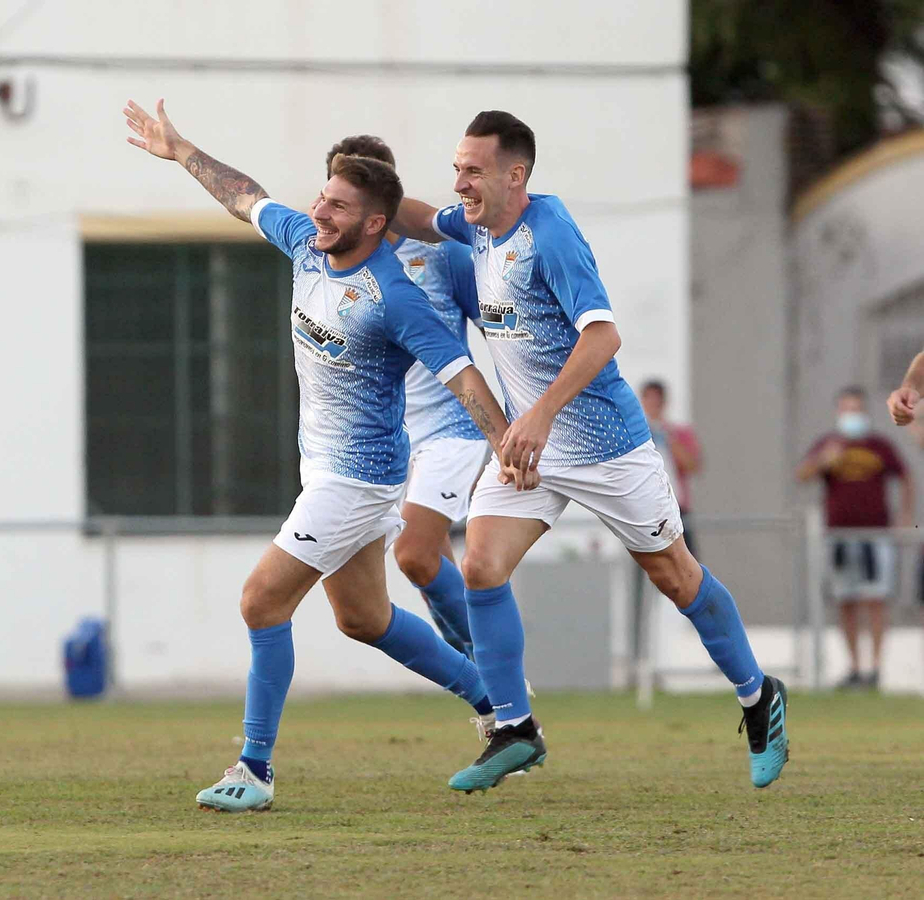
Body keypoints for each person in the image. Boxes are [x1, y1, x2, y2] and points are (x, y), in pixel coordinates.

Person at [123, 99, 533, 813]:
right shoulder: (307, 245)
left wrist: (506, 443)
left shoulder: (395, 296)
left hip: (357, 483)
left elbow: (462, 372)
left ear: (376, 222)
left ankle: (254, 769)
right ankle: (497, 703)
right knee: (364, 620)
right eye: (322, 196)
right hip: (328, 472)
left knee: (260, 600)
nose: (321, 210)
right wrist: (182, 148)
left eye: (339, 205)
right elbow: (244, 196)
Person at [389, 110, 788, 791]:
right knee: (480, 565)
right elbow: (423, 218)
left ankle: (759, 696)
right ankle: (515, 728)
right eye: (456, 167)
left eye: (472, 169)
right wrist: (358, 188)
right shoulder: (477, 229)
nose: (459, 180)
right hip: (532, 452)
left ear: (515, 176)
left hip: (606, 445)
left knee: (675, 578)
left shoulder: (550, 235)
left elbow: (604, 336)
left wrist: (539, 415)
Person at [323, 135, 487, 660]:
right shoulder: (324, 265)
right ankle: (491, 693)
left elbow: (502, 332)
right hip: (389, 442)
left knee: (414, 555)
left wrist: (521, 419)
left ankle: (498, 676)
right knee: (427, 567)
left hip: (451, 430)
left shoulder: (440, 255)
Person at [798, 386, 911, 689]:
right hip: (839, 535)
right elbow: (803, 475)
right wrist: (824, 460)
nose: (852, 416)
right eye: (847, 410)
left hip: (875, 534)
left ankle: (874, 669)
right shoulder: (828, 444)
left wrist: (906, 517)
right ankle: (854, 667)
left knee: (875, 599)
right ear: (838, 412)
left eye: (857, 409)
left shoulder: (879, 445)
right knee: (845, 600)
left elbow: (905, 475)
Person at [641, 379, 703, 555]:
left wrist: (667, 436)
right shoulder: (637, 433)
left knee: (688, 559)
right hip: (645, 507)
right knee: (643, 562)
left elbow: (692, 465)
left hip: (676, 507)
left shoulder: (678, 432)